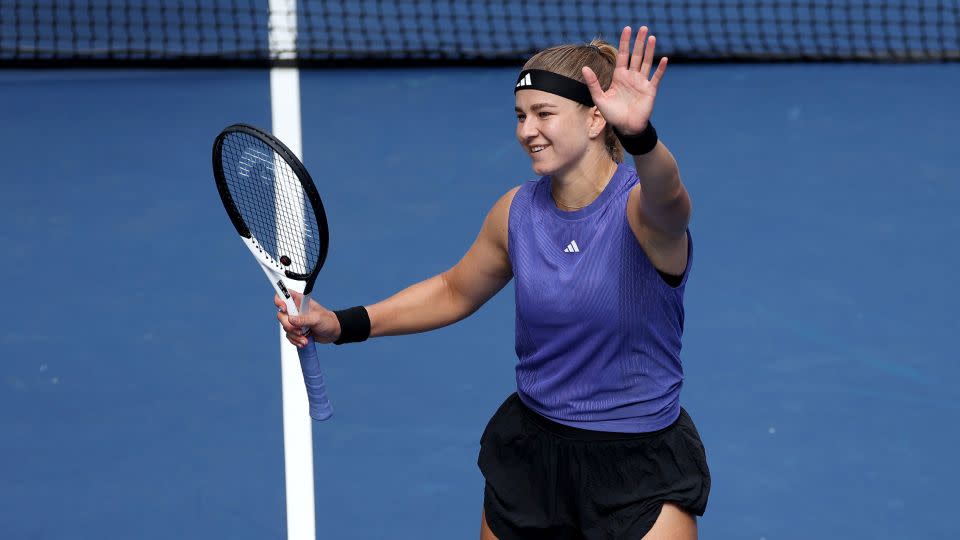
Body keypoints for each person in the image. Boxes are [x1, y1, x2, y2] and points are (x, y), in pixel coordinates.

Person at [276, 25, 710, 540]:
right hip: (533, 454)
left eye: (545, 114)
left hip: (638, 467)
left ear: (597, 117)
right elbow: (453, 290)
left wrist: (642, 136)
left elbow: (672, 196)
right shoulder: (516, 213)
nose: (528, 130)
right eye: (521, 116)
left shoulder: (642, 212)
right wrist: (341, 324)